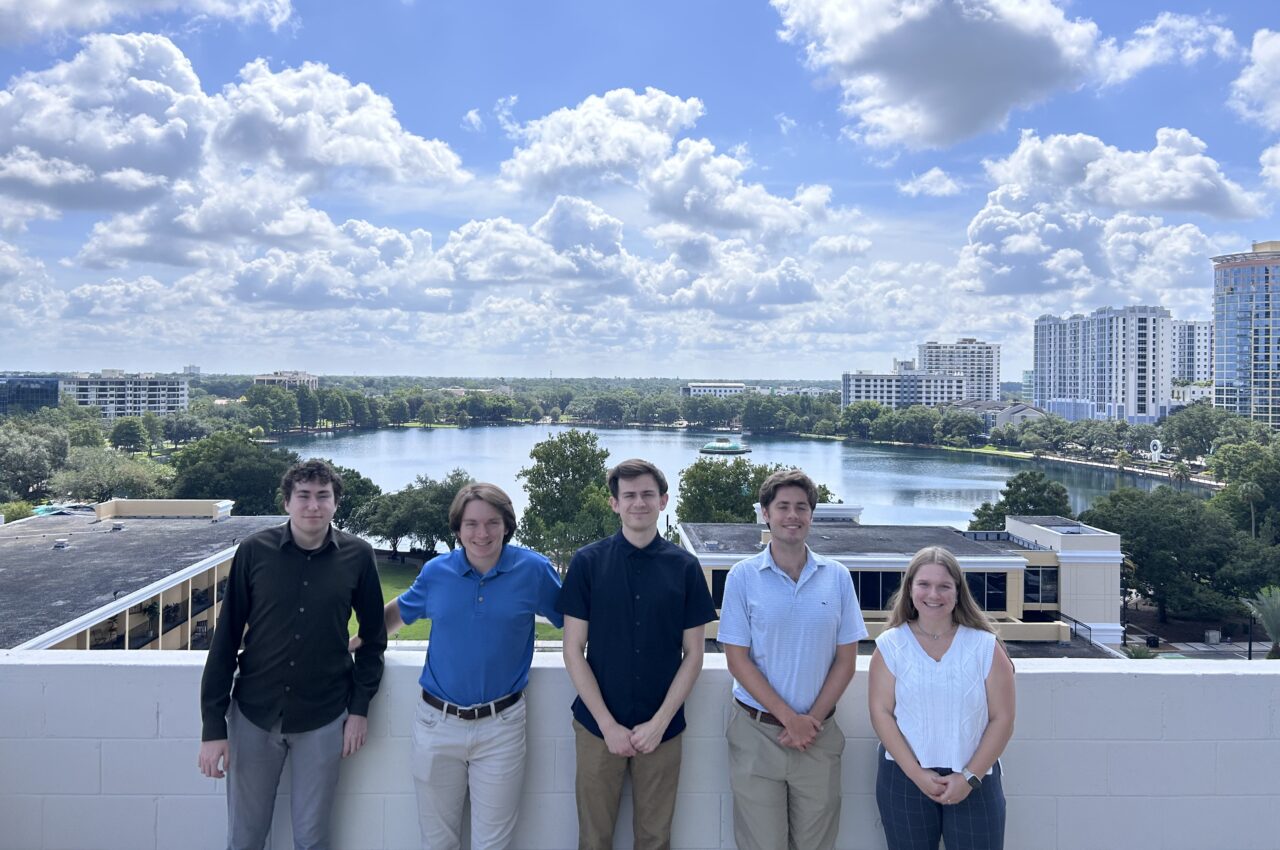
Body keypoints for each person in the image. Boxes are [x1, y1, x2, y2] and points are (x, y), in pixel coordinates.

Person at [198, 458, 387, 850]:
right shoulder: (253, 551)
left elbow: (373, 640)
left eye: (323, 496)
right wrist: (213, 728)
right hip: (253, 713)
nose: (313, 505)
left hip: (324, 716)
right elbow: (226, 639)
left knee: (312, 838)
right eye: (303, 496)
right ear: (287, 502)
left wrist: (360, 708)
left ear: (336, 503)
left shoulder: (359, 556)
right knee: (245, 837)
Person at [384, 482, 563, 850]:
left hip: (502, 727)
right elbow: (396, 616)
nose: (482, 533)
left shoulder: (534, 569)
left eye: (492, 522)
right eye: (471, 524)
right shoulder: (437, 573)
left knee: (493, 844)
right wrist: (350, 645)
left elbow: (575, 620)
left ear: (507, 525)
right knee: (437, 843)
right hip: (436, 724)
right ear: (458, 528)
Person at [558, 458, 717, 850]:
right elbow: (573, 650)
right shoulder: (586, 563)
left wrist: (659, 722)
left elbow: (694, 655)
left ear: (663, 500)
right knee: (593, 840)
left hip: (662, 730)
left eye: (648, 494)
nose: (638, 503)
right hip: (597, 728)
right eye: (628, 495)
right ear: (614, 503)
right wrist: (608, 725)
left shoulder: (685, 568)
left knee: (655, 839)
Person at [718, 468, 868, 850]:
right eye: (782, 506)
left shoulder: (837, 577)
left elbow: (846, 661)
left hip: (818, 735)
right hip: (756, 734)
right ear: (765, 513)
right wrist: (790, 719)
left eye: (801, 507)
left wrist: (810, 721)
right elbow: (737, 660)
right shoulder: (742, 577)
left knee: (817, 844)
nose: (792, 515)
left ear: (811, 515)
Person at [868, 546, 1016, 850]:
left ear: (958, 592)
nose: (933, 594)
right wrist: (917, 774)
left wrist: (969, 778)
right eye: (923, 584)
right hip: (905, 780)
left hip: (975, 781)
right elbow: (881, 713)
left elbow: (1003, 719)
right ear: (910, 589)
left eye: (944, 586)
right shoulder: (891, 646)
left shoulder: (985, 647)